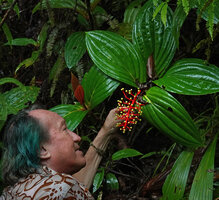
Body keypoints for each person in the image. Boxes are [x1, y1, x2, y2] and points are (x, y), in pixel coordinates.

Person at [0, 105, 120, 199]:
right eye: (64, 129)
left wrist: (106, 132)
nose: (77, 137)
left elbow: (76, 188)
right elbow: (66, 189)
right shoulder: (63, 188)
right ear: (42, 150)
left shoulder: (12, 191)